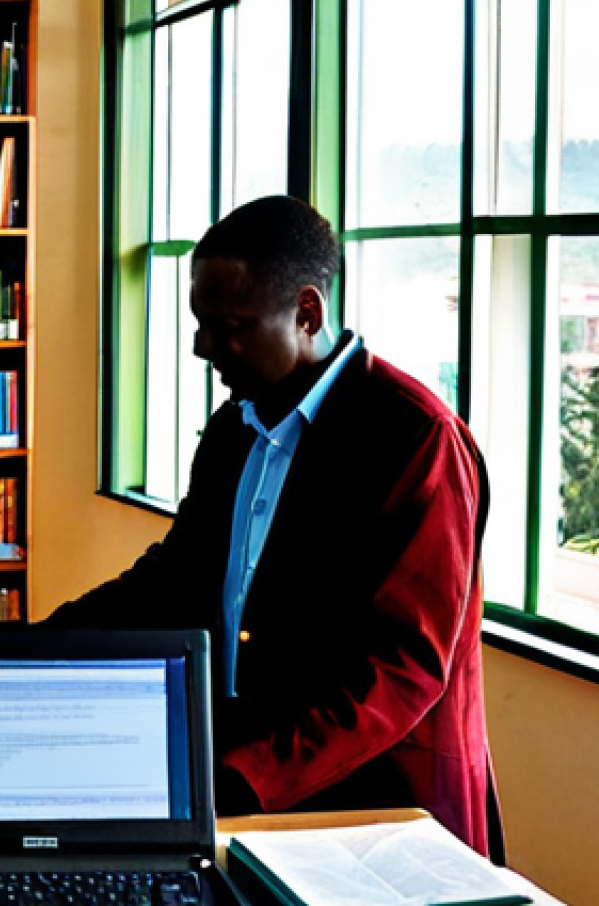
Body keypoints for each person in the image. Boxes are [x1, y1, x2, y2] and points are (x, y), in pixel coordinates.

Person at [45, 195, 504, 861]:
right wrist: (37, 646)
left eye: (229, 325)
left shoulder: (415, 438)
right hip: (252, 786)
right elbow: (177, 576)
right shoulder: (237, 423)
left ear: (307, 313)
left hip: (376, 809)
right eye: (200, 324)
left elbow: (402, 669)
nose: (204, 347)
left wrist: (244, 778)